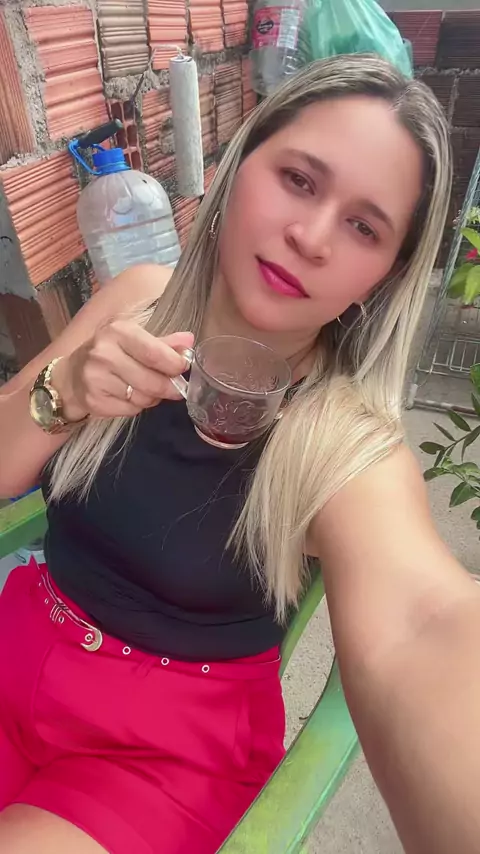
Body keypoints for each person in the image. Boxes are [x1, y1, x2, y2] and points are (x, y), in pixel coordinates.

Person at [0, 54, 479, 854]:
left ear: (382, 277)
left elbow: (424, 623)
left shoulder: (345, 442)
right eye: (298, 180)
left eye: (364, 227)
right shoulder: (137, 299)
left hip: (162, 756)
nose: (310, 237)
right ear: (235, 168)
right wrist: (66, 388)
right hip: (18, 647)